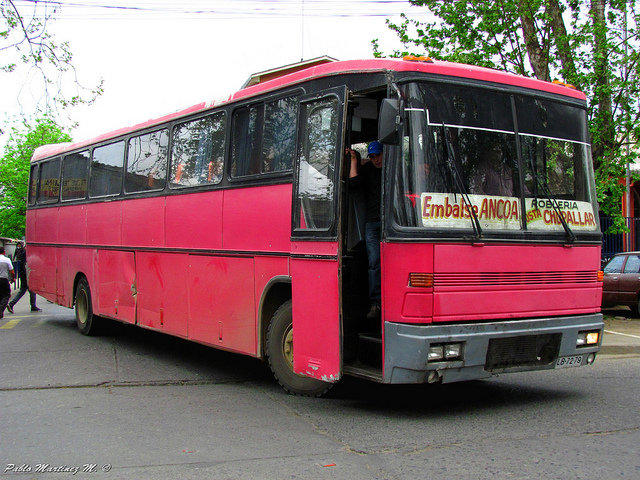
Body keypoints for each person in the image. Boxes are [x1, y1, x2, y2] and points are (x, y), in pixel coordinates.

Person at [348, 140, 383, 320]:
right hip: (373, 224)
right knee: (374, 263)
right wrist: (354, 161)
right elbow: (353, 184)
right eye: (372, 156)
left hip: (392, 223)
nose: (376, 159)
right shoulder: (368, 170)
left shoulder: (394, 168)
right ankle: (376, 303)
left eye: (378, 155)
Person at [7, 243, 41, 313]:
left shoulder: (24, 253)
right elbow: (26, 265)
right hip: (26, 275)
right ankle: (12, 303)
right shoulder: (27, 254)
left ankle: (33, 305)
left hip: (24, 274)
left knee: (28, 290)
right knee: (26, 290)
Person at [0, 246, 15, 319]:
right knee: (6, 295)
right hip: (3, 280)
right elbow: (11, 271)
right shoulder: (6, 260)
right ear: (4, 252)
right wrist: (13, 278)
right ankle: (1, 309)